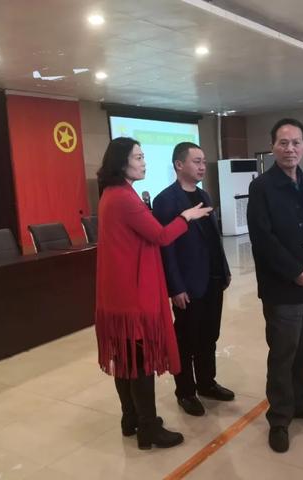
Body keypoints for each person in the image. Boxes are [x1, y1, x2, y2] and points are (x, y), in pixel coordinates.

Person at [95, 137, 212, 450]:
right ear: (121, 162)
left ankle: (130, 419)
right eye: (138, 157)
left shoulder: (111, 194)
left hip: (118, 293)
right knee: (140, 362)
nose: (144, 162)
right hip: (132, 294)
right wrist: (186, 217)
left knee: (126, 361)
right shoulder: (124, 197)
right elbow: (160, 236)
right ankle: (148, 428)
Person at [246, 118, 303, 453]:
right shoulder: (262, 188)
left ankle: (301, 401)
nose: (290, 149)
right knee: (283, 353)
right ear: (273, 147)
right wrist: (294, 271)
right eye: (283, 143)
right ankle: (280, 417)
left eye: (296, 142)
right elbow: (262, 239)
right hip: (282, 288)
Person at [153, 142, 234, 417]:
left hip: (213, 279)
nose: (202, 166)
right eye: (196, 161)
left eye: (203, 161)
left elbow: (213, 237)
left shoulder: (204, 195)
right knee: (186, 340)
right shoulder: (166, 200)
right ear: (179, 165)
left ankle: (207, 383)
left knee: (209, 335)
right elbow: (166, 248)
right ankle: (185, 392)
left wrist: (224, 269)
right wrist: (175, 287)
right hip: (188, 284)